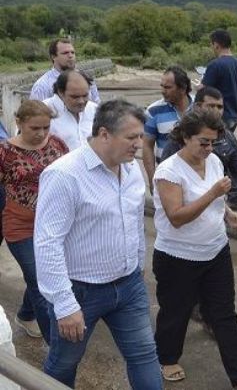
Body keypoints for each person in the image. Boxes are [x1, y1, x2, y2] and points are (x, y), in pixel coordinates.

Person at [34, 99, 162, 388]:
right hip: (81, 291)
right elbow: (47, 243)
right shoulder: (64, 175)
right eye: (131, 137)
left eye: (141, 136)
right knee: (63, 364)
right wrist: (65, 305)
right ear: (104, 134)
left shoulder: (129, 170)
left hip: (128, 287)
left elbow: (133, 222)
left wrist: (137, 265)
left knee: (144, 354)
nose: (139, 145)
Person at [151, 110, 237, 390]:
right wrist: (214, 195)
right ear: (184, 137)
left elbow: (212, 196)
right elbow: (177, 217)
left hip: (215, 251)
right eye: (203, 142)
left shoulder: (213, 160)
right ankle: (166, 358)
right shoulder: (168, 171)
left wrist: (227, 212)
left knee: (224, 313)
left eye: (213, 142)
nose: (209, 148)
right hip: (177, 256)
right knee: (175, 311)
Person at [0, 100, 69, 343]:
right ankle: (56, 346)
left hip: (56, 223)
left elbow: (72, 175)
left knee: (45, 275)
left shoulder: (58, 144)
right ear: (19, 123)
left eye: (46, 127)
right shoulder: (4, 152)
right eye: (34, 128)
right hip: (21, 226)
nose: (41, 134)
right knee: (42, 283)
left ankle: (25, 314)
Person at [160, 86, 237, 213]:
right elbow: (173, 205)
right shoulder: (183, 137)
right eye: (211, 106)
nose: (216, 111)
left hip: (228, 203)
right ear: (198, 106)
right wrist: (211, 194)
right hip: (192, 209)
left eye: (220, 107)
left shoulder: (227, 136)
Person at [143, 66, 193, 193]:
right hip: (167, 177)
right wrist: (152, 178)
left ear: (183, 88)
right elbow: (147, 146)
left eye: (168, 87)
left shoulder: (200, 106)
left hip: (196, 175)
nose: (163, 91)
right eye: (162, 86)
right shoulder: (153, 111)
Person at [199, 29, 237, 132]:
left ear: (216, 45)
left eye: (211, 44)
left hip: (218, 117)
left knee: (212, 145)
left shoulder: (215, 65)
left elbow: (204, 91)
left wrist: (198, 87)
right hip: (235, 117)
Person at [30, 38, 101, 103]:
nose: (70, 56)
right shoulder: (42, 86)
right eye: (65, 53)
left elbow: (96, 106)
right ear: (53, 57)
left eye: (72, 52)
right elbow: (35, 114)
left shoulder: (86, 79)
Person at [43, 70, 98, 151]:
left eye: (85, 95)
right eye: (75, 97)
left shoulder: (94, 109)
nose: (81, 101)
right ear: (61, 92)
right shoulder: (43, 111)